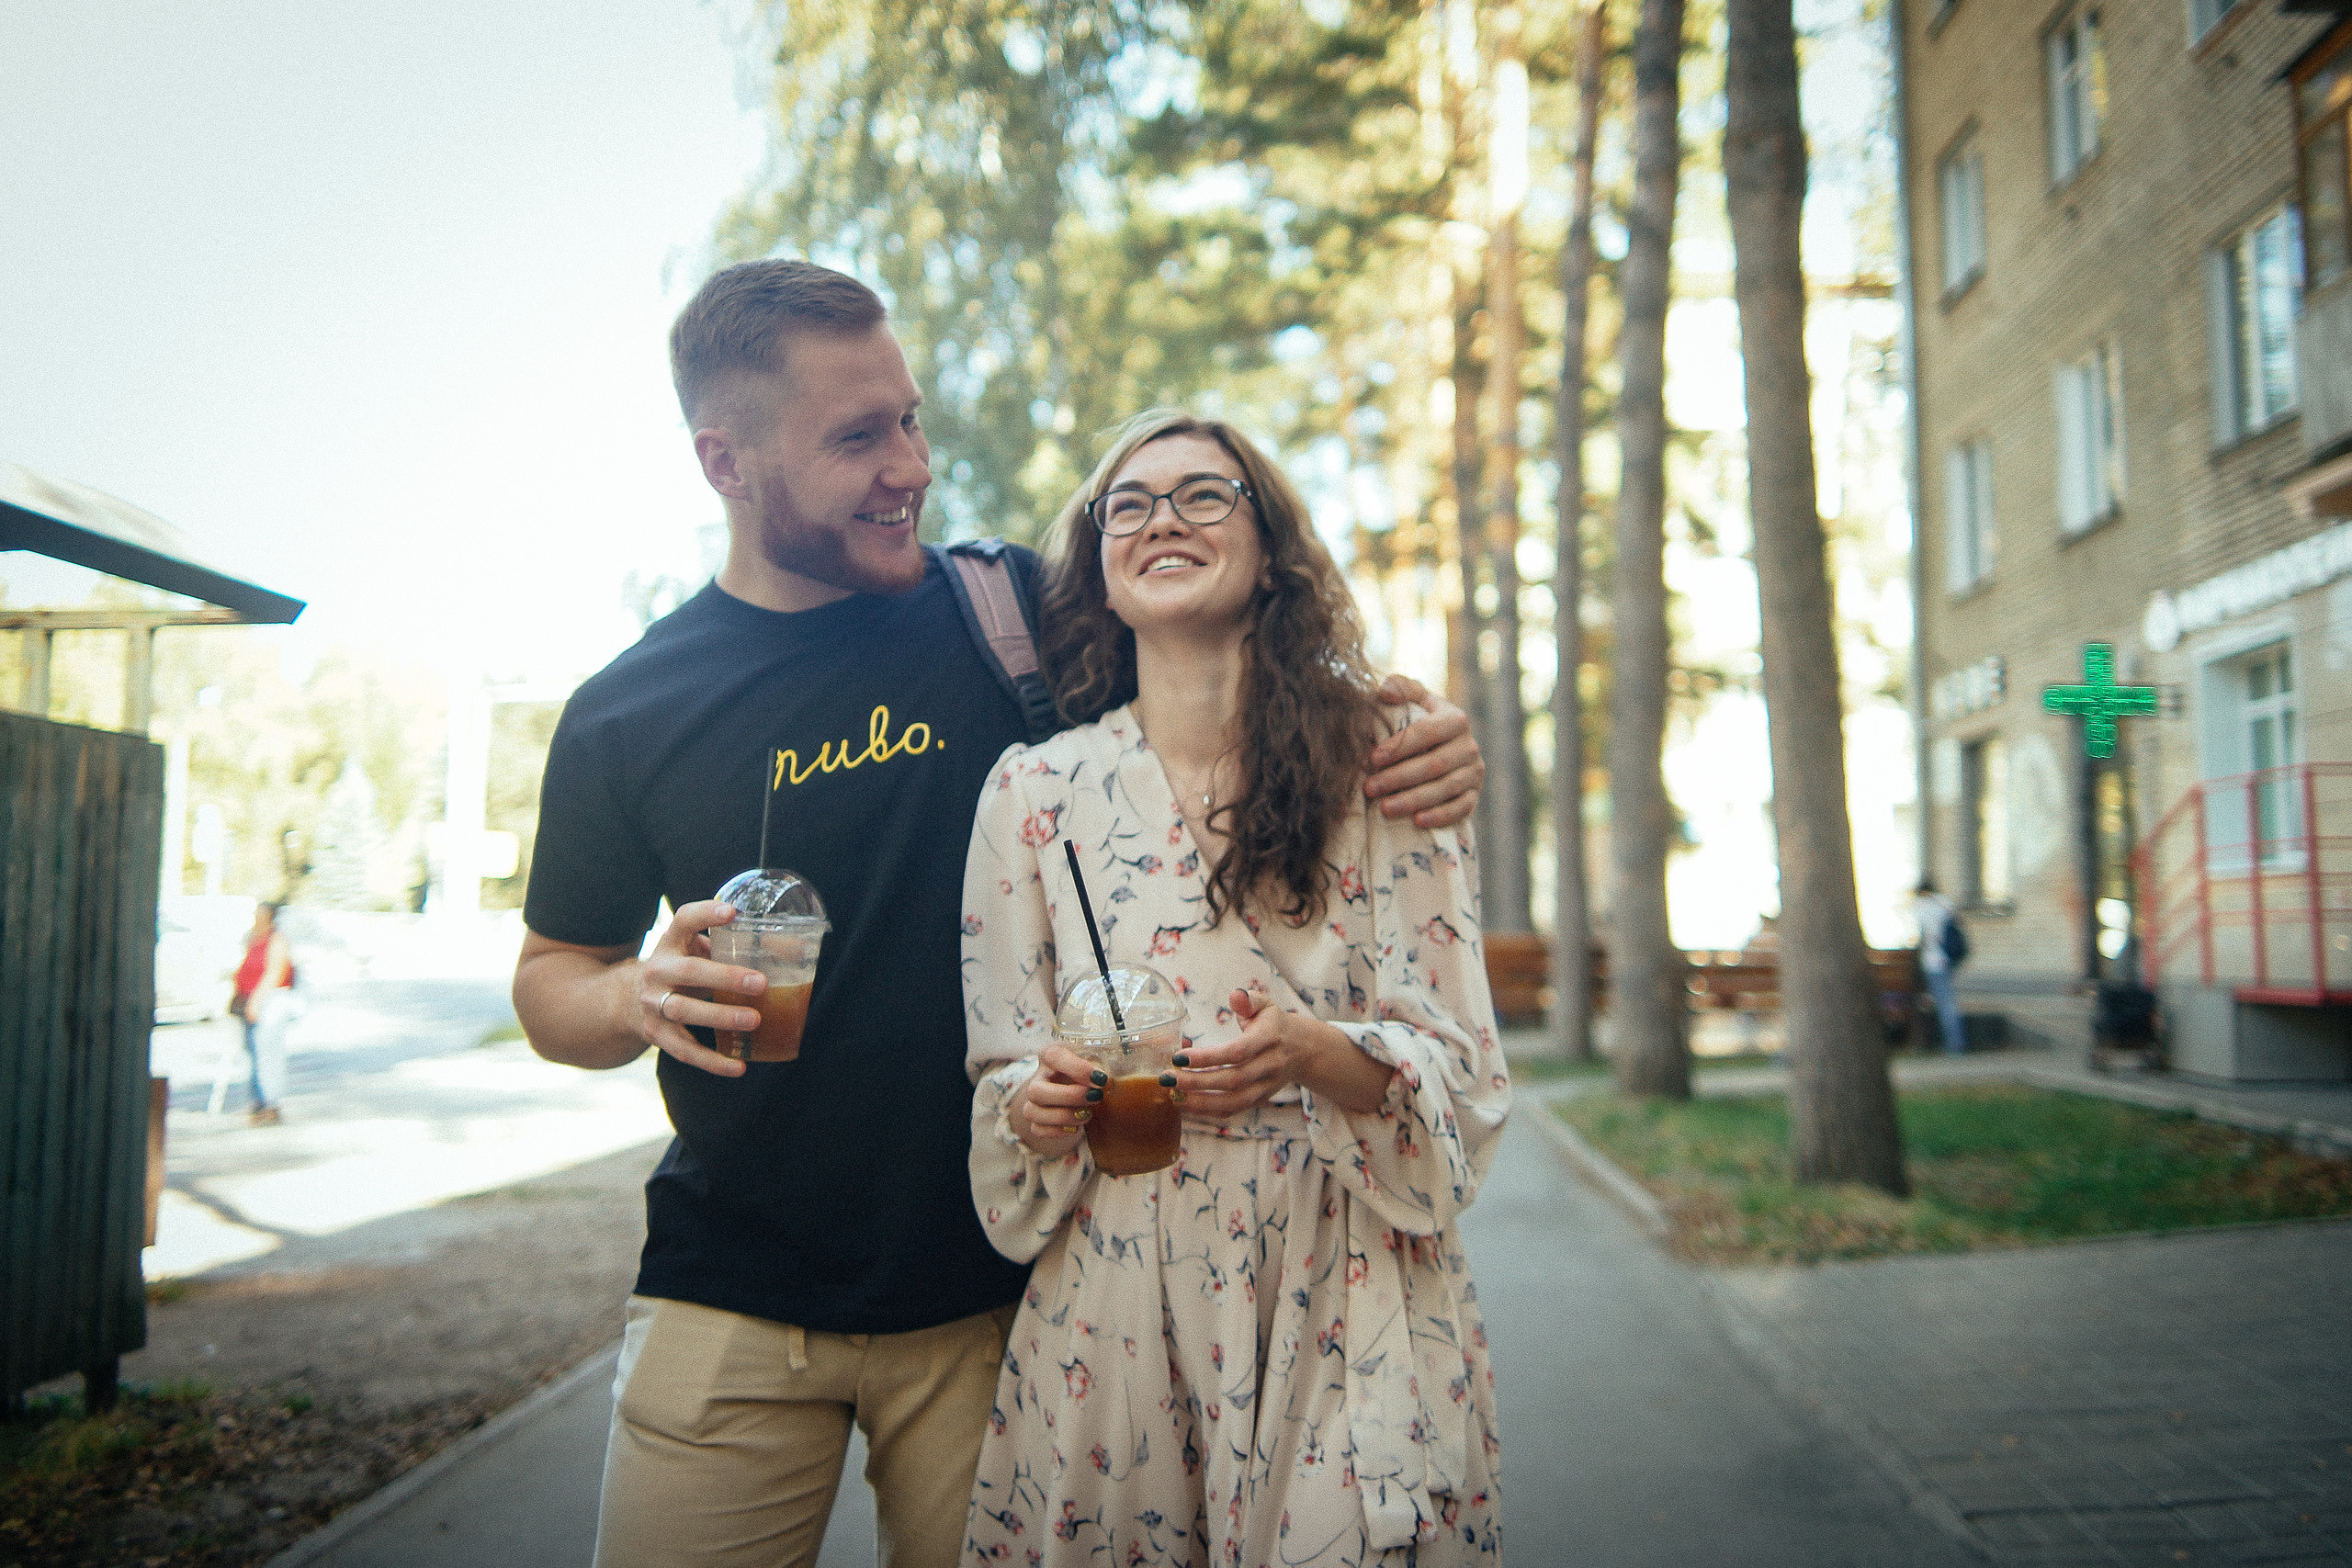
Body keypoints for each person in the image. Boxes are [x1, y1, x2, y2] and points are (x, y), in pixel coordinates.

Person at [512, 260, 1486, 1568]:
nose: (910, 463)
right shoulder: (627, 709)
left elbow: (1226, 652)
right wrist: (630, 993)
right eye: (859, 436)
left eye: (909, 418)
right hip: (729, 1287)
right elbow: (548, 977)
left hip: (997, 1297)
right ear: (726, 464)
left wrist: (1413, 726)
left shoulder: (1012, 611)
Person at [961, 411, 1508, 1565]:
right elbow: (1002, 1059)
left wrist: (1314, 1051)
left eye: (1205, 495)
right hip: (1120, 1286)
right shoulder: (1035, 792)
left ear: (1272, 552)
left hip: (1342, 1271)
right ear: (1101, 575)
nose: (1162, 517)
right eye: (1129, 503)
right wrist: (1035, 1101)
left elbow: (1463, 1068)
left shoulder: (1388, 756)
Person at [230, 900, 295, 1125]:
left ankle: (270, 1103)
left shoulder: (276, 939)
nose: (257, 916)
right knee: (253, 1053)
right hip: (248, 998)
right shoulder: (252, 936)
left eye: (261, 913)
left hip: (270, 1000)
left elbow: (274, 972)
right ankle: (258, 1102)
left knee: (267, 1052)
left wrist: (256, 1002)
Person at [1912, 878, 1965, 1055]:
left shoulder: (1922, 907)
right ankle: (1954, 1042)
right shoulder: (1945, 903)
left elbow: (1922, 935)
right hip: (1949, 958)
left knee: (1943, 1002)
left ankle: (1954, 1045)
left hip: (1933, 960)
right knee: (1945, 1000)